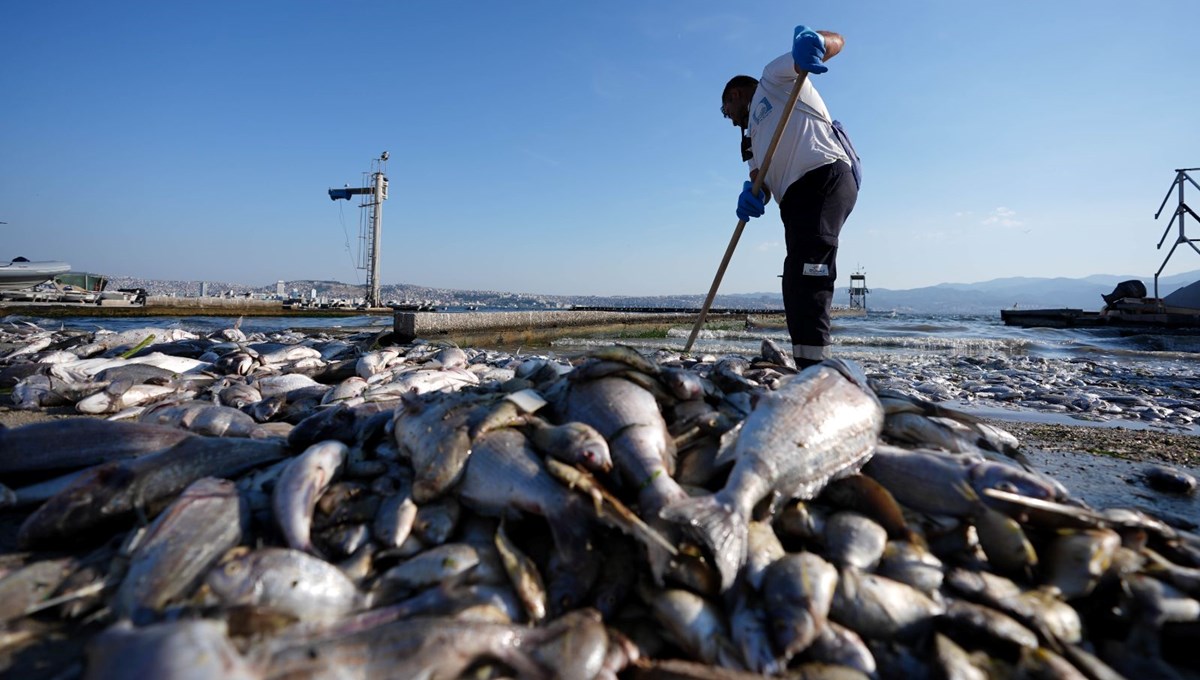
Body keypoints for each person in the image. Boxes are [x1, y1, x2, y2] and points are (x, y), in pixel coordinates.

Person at [720, 25, 856, 369]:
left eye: (725, 110)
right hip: (794, 200)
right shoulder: (748, 140)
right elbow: (759, 183)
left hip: (824, 175)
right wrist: (752, 196)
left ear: (735, 94)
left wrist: (820, 43)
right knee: (797, 277)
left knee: (809, 272)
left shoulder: (772, 81)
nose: (727, 118)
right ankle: (808, 366)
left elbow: (835, 42)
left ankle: (816, 374)